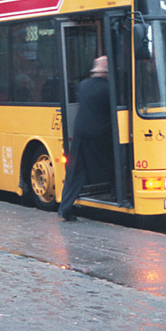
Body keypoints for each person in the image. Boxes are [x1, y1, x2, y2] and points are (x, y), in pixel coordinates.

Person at [58, 56, 113, 222]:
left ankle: (65, 207)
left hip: (80, 132)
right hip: (99, 135)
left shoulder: (83, 85)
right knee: (113, 164)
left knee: (75, 171)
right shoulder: (109, 89)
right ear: (106, 72)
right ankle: (117, 193)